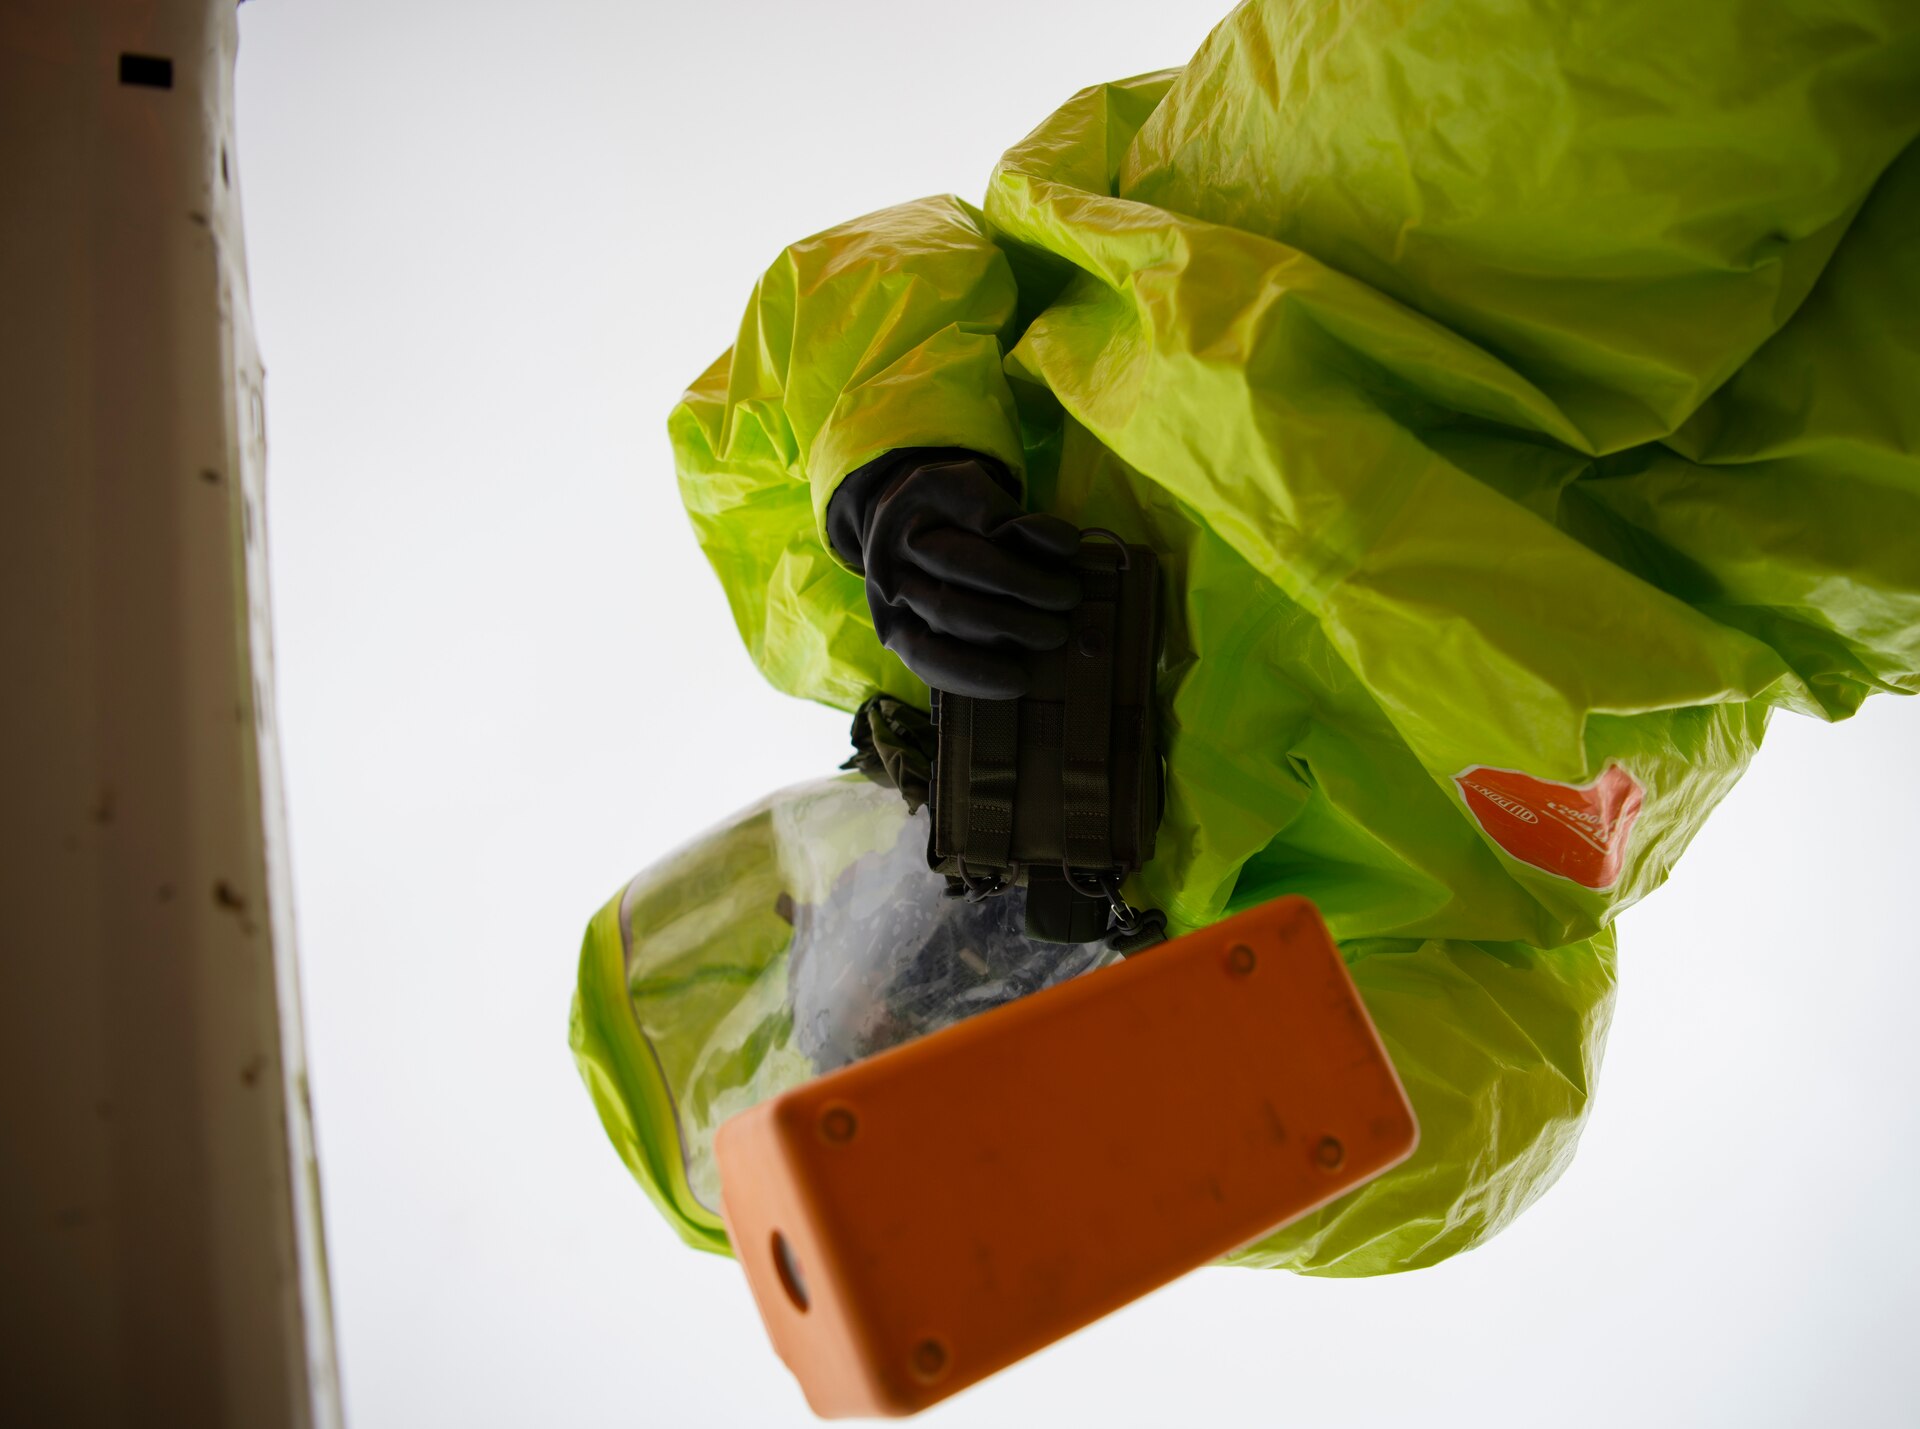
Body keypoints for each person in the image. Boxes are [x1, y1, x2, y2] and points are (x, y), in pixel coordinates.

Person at [659, 0, 1920, 1274]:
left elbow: (838, 308)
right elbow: (1493, 1093)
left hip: (1404, 189)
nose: (918, 980)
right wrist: (1151, 1139)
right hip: (1794, 514)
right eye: (917, 1038)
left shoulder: (846, 622)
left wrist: (894, 466)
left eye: (857, 991)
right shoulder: (1281, 991)